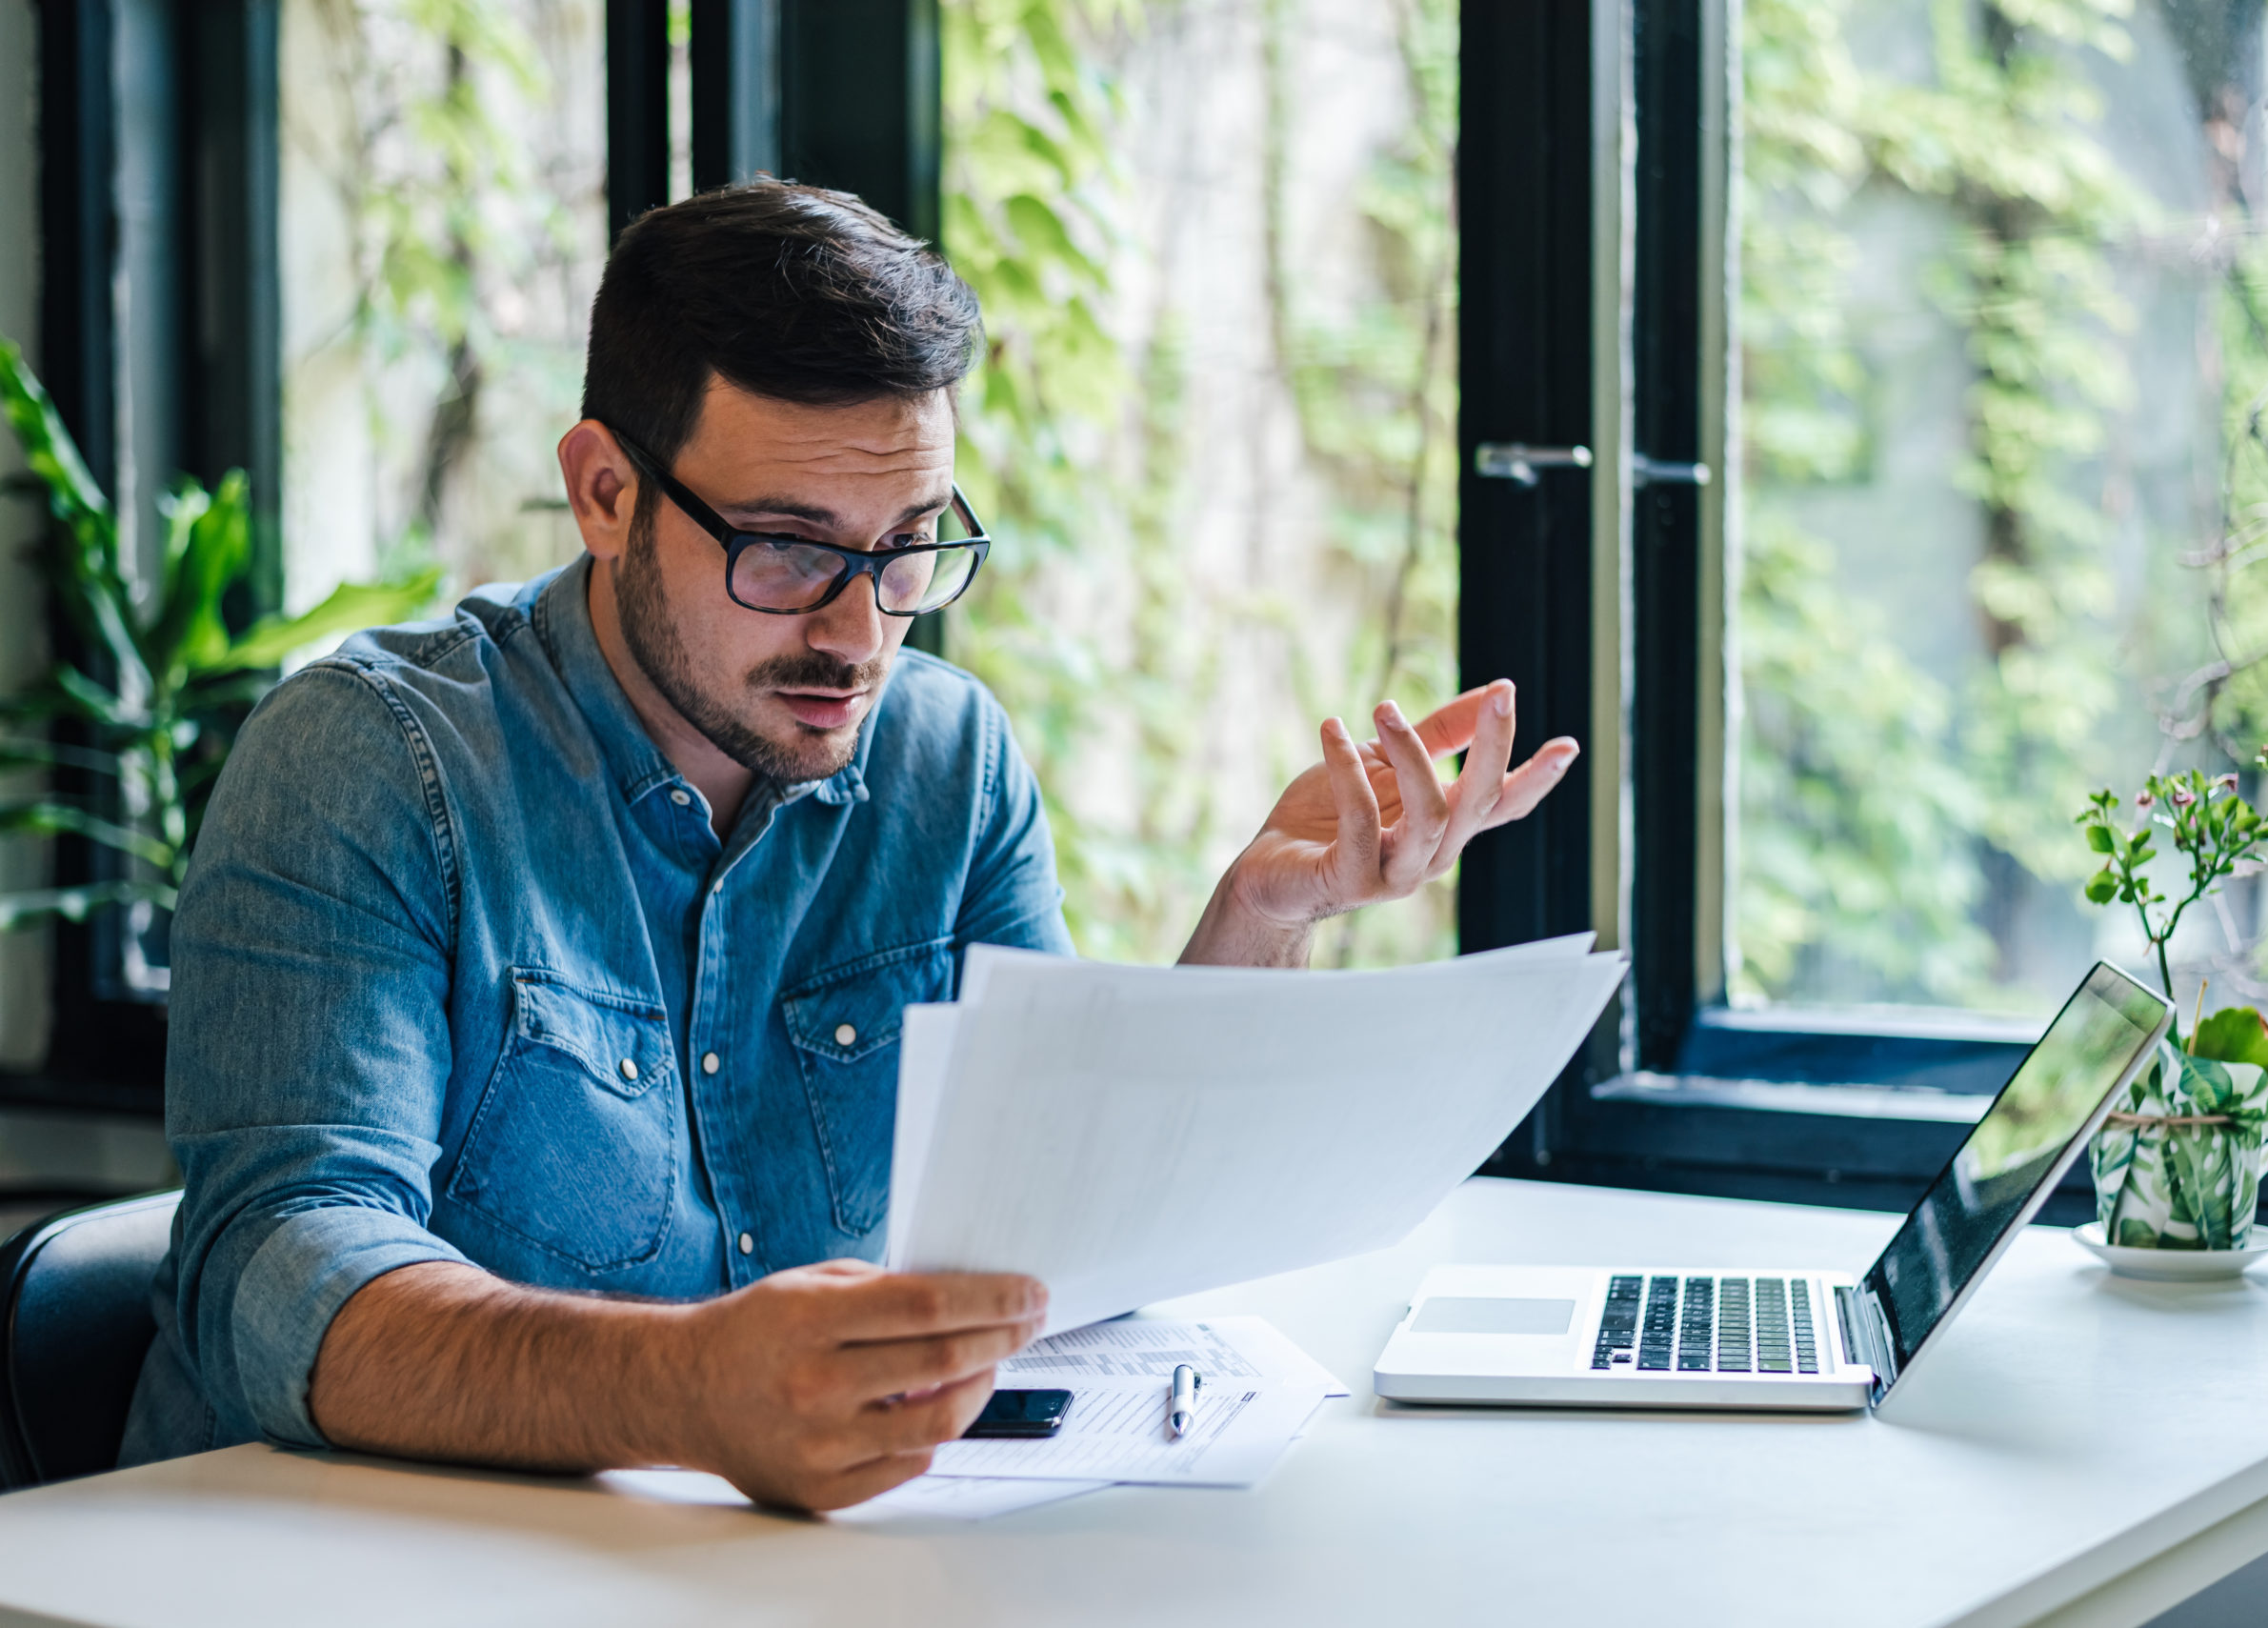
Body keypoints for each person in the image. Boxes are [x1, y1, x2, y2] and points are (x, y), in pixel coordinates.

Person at [119, 182, 1578, 1511]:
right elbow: (283, 1269)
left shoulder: (949, 765)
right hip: (331, 1569)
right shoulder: (370, 761)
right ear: (605, 490)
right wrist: (690, 1389)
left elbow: (1052, 1227)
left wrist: (1261, 919)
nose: (856, 627)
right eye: (791, 545)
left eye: (909, 546)